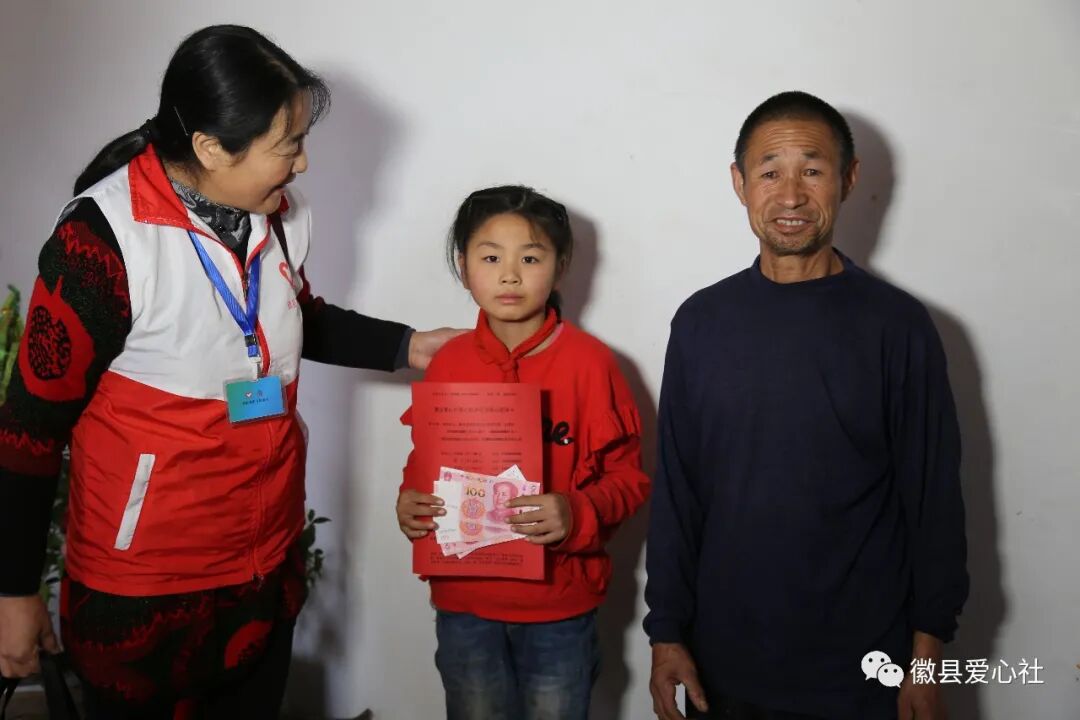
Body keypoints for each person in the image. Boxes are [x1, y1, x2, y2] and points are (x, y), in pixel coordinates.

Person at [0, 24, 459, 719]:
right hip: (145, 591)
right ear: (211, 147)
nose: (302, 163)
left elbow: (293, 316)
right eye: (288, 145)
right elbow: (28, 432)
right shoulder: (101, 243)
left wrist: (410, 345)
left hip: (263, 567)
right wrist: (14, 593)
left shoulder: (280, 215)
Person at [644, 91, 969, 720]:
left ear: (848, 179)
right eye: (770, 172)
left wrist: (927, 658)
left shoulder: (897, 326)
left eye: (812, 170)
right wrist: (666, 632)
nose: (790, 196)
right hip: (724, 664)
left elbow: (933, 500)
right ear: (739, 183)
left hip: (864, 669)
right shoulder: (701, 322)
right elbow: (678, 491)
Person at [395, 186, 651, 720]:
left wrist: (578, 511)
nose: (510, 275)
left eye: (530, 258)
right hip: (464, 603)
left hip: (559, 606)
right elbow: (426, 460)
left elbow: (629, 480)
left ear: (560, 268)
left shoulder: (592, 364)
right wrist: (410, 501)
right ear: (463, 266)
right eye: (491, 258)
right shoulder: (449, 363)